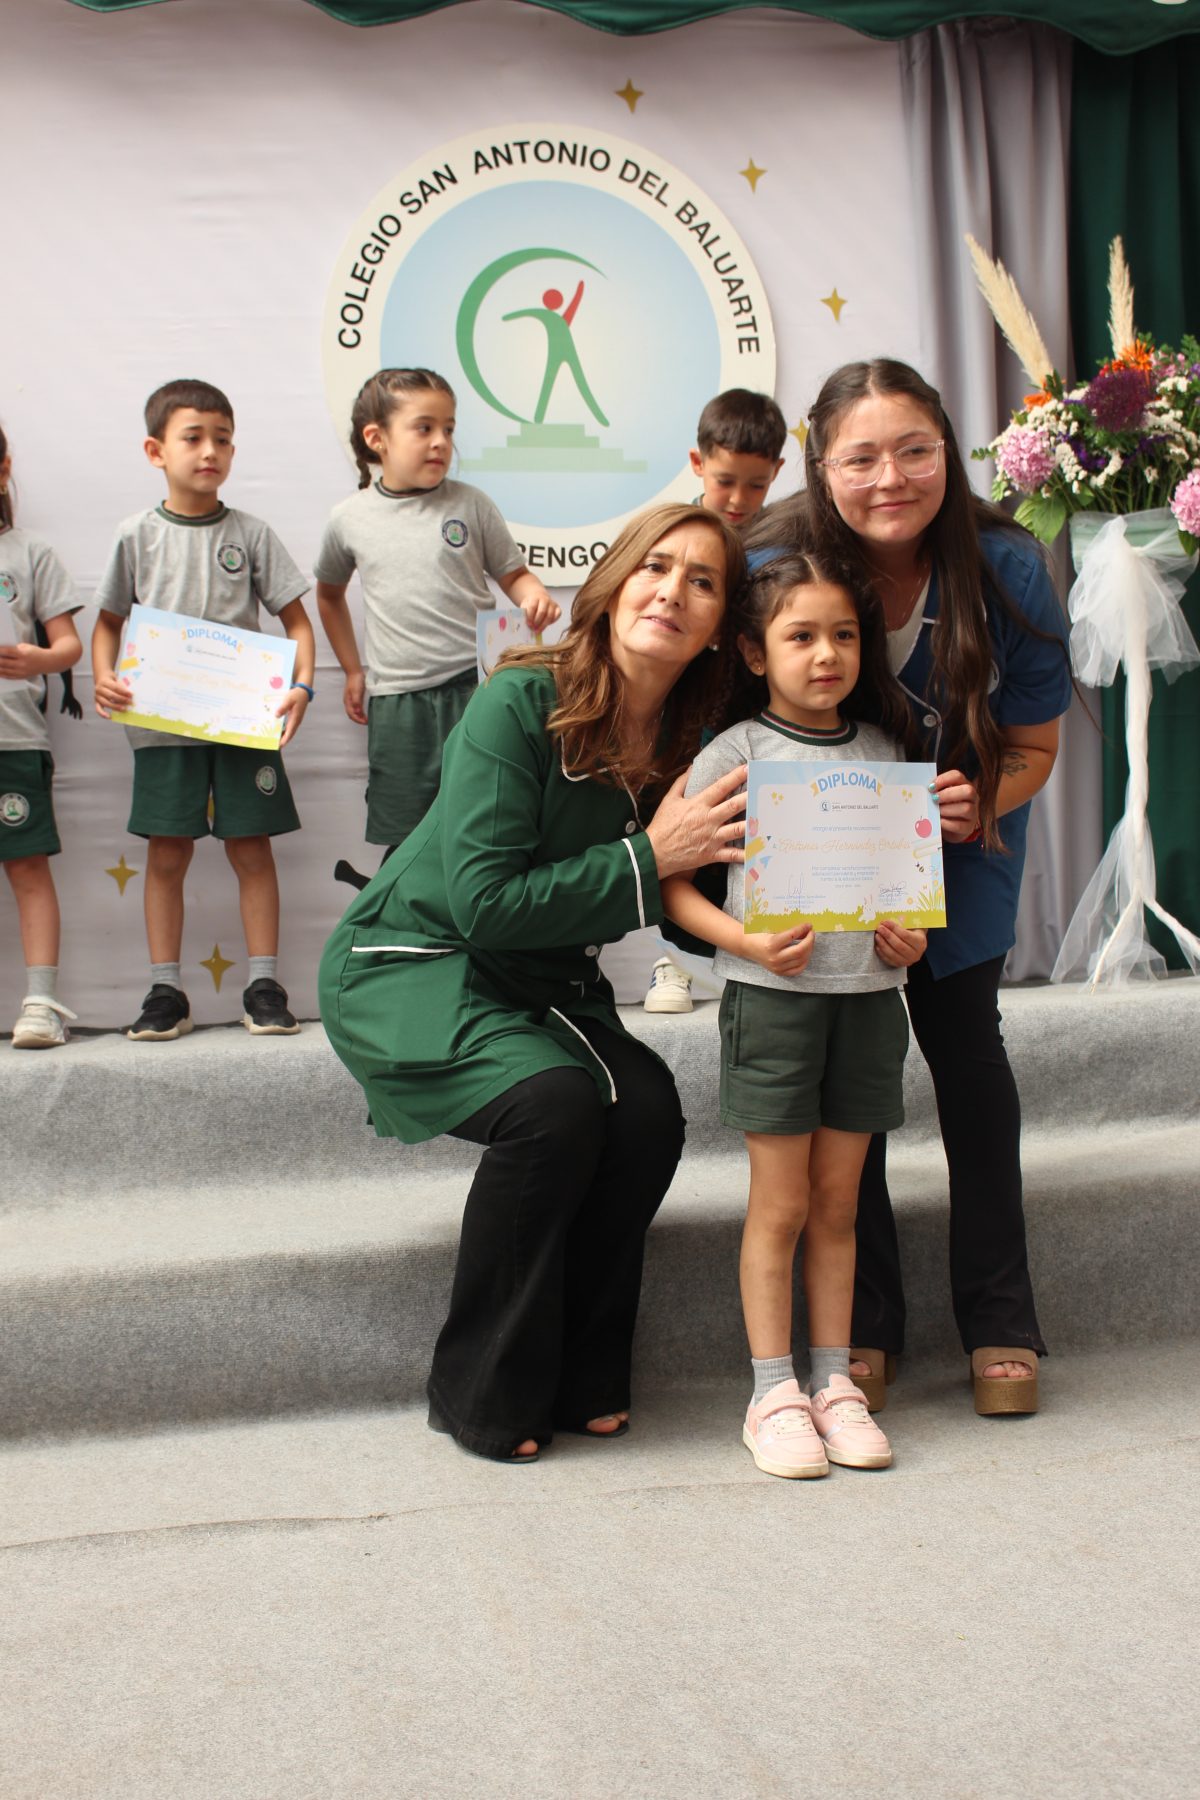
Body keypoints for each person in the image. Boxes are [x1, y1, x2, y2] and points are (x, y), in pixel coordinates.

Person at [319, 502, 749, 1464]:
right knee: (555, 1107)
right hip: (413, 962)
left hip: (542, 987)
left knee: (645, 1111)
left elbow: (723, 885)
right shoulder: (521, 700)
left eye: (703, 581)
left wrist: (873, 895)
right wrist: (650, 853)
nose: (672, 591)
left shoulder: (698, 744)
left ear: (723, 624)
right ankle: (481, 1390)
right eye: (655, 567)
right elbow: (483, 906)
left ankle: (586, 1375)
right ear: (614, 583)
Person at [745, 358, 1072, 1417]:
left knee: (972, 1077)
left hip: (961, 864)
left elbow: (1034, 747)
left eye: (916, 449)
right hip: (820, 880)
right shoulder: (774, 563)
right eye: (862, 456)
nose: (893, 477)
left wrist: (982, 801)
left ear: (949, 448)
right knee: (853, 1098)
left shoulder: (1009, 568)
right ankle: (860, 1331)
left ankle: (1002, 1321)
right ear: (820, 464)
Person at [662, 549, 925, 1476]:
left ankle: (832, 1382)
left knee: (838, 1205)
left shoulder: (890, 754)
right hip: (773, 1007)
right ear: (752, 651)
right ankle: (772, 1392)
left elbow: (904, 892)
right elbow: (675, 886)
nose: (826, 654)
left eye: (845, 635)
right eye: (801, 636)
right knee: (778, 1205)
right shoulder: (735, 754)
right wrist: (745, 945)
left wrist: (908, 942)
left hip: (868, 1006)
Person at [92, 378, 315, 1041]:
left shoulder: (251, 533)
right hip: (162, 732)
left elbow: (299, 624)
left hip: (246, 728)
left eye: (222, 438)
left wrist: (300, 686)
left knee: (251, 848)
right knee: (166, 854)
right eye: (193, 437)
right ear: (155, 449)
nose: (210, 450)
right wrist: (104, 677)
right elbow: (107, 623)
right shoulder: (136, 536)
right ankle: (166, 990)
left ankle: (265, 984)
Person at [314, 368, 560, 889]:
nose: (441, 442)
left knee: (485, 813)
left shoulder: (471, 504)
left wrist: (533, 595)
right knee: (405, 827)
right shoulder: (348, 519)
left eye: (448, 428)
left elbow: (513, 574)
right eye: (424, 428)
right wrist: (353, 670)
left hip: (480, 688)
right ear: (376, 439)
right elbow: (329, 595)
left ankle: (483, 924)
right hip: (398, 700)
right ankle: (402, 928)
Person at [645, 387, 787, 1016]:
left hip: (751, 717)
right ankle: (672, 961)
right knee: (679, 831)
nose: (737, 500)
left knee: (742, 840)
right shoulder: (673, 539)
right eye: (725, 480)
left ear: (776, 475)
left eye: (754, 486)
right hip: (683, 717)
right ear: (697, 463)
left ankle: (753, 948)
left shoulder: (779, 547)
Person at [0, 420, 84, 1048]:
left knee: (28, 868)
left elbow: (69, 646)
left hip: (15, 741)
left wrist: (37, 660)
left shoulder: (29, 553)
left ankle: (41, 1002)